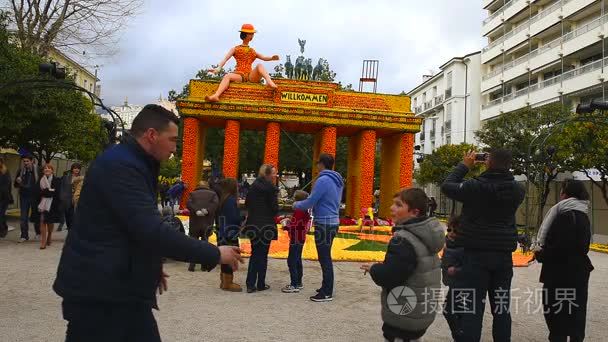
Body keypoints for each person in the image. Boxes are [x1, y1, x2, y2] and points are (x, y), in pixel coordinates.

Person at [53, 104, 243, 342]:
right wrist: (215, 253)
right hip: (100, 294)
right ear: (152, 135)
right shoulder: (121, 166)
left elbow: (129, 226)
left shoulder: (133, 162)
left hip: (118, 288)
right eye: (172, 140)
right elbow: (151, 230)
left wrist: (148, 264)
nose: (175, 147)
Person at [440, 149, 525, 342]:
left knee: (473, 309)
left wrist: (465, 165)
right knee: (502, 309)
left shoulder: (474, 186)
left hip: (475, 256)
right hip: (503, 257)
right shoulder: (518, 189)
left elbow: (447, 186)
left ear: (487, 162)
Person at [360, 188, 444, 342]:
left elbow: (390, 276)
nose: (392, 208)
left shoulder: (404, 240)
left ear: (414, 212)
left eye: (398, 205)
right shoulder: (426, 234)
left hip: (404, 313)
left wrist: (374, 268)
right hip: (419, 312)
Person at [534, 179, 593, 342]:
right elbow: (583, 246)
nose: (560, 194)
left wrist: (540, 254)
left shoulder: (563, 216)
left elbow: (559, 247)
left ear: (566, 194)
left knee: (556, 313)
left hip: (559, 273)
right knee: (576, 313)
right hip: (579, 272)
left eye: (562, 191)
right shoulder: (583, 215)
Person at [293, 153, 344, 302]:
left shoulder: (323, 180)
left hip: (324, 223)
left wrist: (296, 205)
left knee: (324, 258)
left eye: (317, 163)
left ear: (321, 164)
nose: (316, 166)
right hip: (333, 221)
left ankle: (327, 292)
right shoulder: (338, 180)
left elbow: (311, 202)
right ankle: (326, 287)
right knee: (325, 256)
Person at [205, 23, 280, 102]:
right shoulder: (236, 49)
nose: (252, 35)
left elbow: (264, 58)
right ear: (245, 35)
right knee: (227, 76)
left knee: (259, 65)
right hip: (239, 75)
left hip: (250, 76)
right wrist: (218, 68)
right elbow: (225, 59)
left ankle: (269, 81)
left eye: (252, 34)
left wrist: (271, 58)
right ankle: (216, 96)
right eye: (250, 34)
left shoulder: (252, 51)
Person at [243, 164, 279, 293]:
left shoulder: (253, 187)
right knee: (263, 255)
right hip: (266, 225)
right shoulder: (271, 189)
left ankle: (250, 283)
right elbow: (275, 209)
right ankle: (261, 283)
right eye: (274, 173)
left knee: (255, 253)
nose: (275, 176)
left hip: (253, 224)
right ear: (268, 174)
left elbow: (247, 204)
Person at [281, 190, 312, 294]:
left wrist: (286, 225)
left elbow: (295, 225)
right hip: (301, 237)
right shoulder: (304, 210)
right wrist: (291, 219)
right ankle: (298, 282)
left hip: (296, 237)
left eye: (294, 198)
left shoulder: (299, 210)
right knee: (298, 260)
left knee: (291, 261)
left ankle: (294, 284)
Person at [186, 179, 219, 272]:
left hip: (194, 223)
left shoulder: (192, 194)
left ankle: (192, 265)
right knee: (205, 244)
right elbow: (215, 204)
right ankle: (204, 265)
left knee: (193, 244)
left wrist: (196, 210)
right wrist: (207, 210)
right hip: (207, 222)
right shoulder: (213, 194)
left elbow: (188, 203)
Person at [217, 177, 244, 292]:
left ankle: (224, 281)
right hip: (229, 233)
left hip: (222, 232)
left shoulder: (223, 199)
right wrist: (242, 217)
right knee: (230, 257)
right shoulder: (231, 200)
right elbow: (234, 218)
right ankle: (228, 283)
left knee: (224, 258)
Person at [442, 215, 465, 340]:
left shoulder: (463, 248)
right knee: (459, 310)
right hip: (453, 284)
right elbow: (446, 263)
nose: (451, 233)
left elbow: (469, 267)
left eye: (455, 231)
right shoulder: (448, 245)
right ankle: (461, 333)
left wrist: (456, 270)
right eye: (449, 230)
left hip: (460, 284)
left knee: (448, 309)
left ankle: (459, 335)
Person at [14, 154, 41, 242]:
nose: (25, 163)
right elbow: (15, 185)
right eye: (24, 161)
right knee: (23, 217)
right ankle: (24, 236)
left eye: (27, 161)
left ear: (32, 161)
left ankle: (38, 233)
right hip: (24, 197)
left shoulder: (38, 170)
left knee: (36, 216)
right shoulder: (20, 171)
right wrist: (18, 181)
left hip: (35, 197)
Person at [37, 164, 61, 249]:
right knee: (42, 221)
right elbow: (38, 192)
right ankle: (43, 241)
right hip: (42, 203)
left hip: (53, 204)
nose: (47, 169)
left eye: (49, 168)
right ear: (43, 171)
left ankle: (49, 235)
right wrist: (48, 191)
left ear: (52, 170)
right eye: (45, 168)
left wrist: (46, 191)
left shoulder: (56, 180)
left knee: (50, 222)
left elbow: (55, 192)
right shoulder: (40, 180)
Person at [58, 163, 82, 231]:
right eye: (75, 168)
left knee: (73, 218)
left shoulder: (82, 178)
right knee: (68, 218)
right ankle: (70, 230)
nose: (76, 169)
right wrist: (62, 198)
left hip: (77, 200)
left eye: (78, 168)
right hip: (67, 201)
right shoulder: (66, 177)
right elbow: (62, 188)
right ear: (72, 169)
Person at [0, 157, 13, 238]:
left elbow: (7, 186)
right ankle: (3, 228)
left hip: (4, 197)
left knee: (0, 214)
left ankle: (3, 229)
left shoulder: (5, 171)